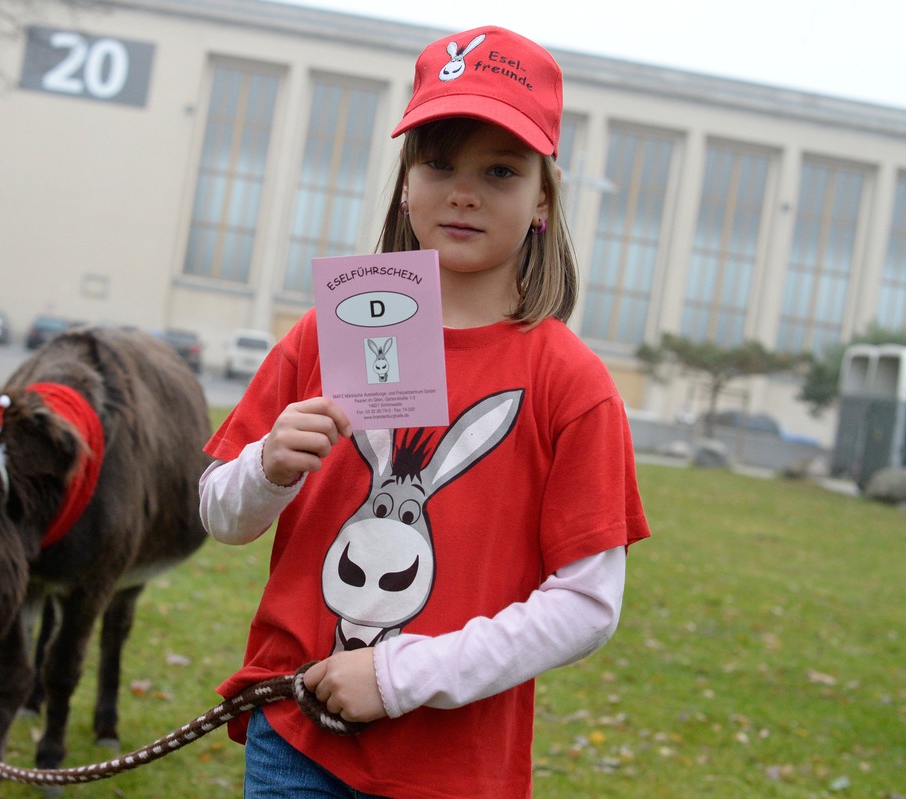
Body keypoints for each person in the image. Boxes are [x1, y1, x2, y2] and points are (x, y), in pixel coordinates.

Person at [199, 24, 651, 799]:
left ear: (543, 198)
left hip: (454, 768)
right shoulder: (328, 331)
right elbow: (220, 513)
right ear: (406, 183)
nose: (463, 192)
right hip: (296, 737)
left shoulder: (571, 383)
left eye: (500, 170)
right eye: (438, 163)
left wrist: (400, 673)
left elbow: (586, 604)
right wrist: (266, 467)